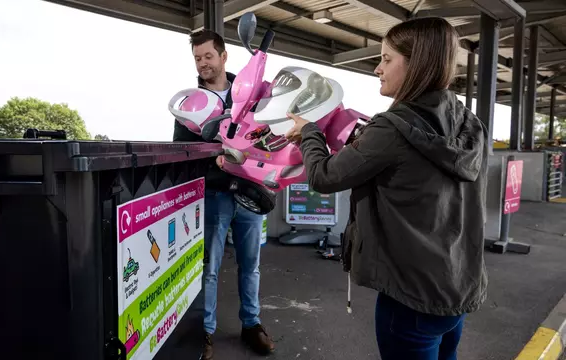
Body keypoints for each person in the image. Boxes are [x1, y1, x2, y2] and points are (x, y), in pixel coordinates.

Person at [283, 17, 488, 360]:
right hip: (457, 288)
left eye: (387, 59)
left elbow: (324, 176)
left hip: (411, 298)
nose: (378, 69)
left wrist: (309, 134)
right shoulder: (468, 122)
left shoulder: (392, 128)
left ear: (417, 64)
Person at [173, 29, 275, 360]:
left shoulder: (251, 92)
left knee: (251, 264)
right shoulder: (191, 103)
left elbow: (267, 133)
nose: (202, 64)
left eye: (208, 56)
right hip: (216, 194)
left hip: (251, 191)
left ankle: (252, 325)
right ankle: (204, 331)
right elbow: (181, 153)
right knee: (210, 268)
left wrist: (253, 150)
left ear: (223, 56)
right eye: (197, 58)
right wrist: (215, 159)